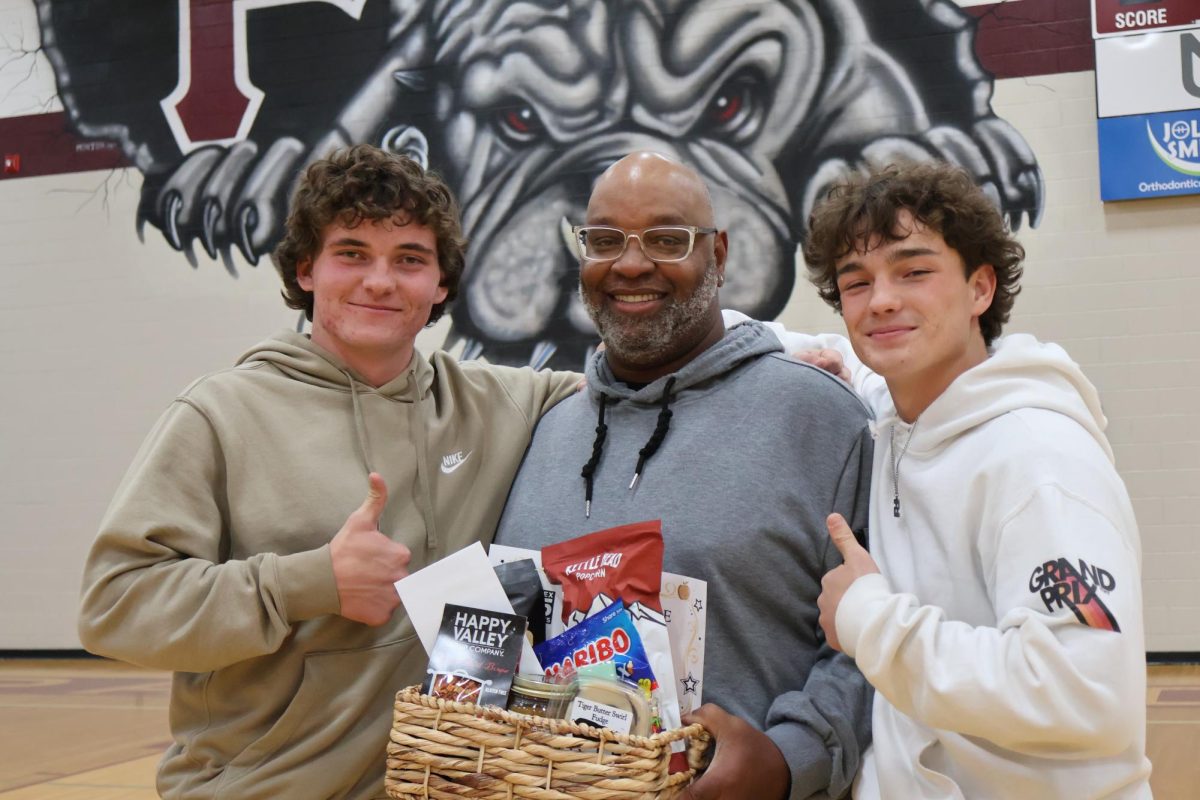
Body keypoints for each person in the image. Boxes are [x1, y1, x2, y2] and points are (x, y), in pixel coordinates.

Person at [77, 145, 583, 799]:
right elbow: (114, 608)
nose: (380, 280)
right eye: (352, 253)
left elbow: (637, 380)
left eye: (409, 259)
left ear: (442, 285)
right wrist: (309, 582)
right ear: (305, 268)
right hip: (258, 785)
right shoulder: (220, 414)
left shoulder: (498, 403)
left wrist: (754, 342)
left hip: (437, 784)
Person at [494, 151, 875, 800]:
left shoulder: (819, 418)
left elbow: (876, 636)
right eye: (605, 240)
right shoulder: (546, 432)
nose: (632, 264)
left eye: (667, 239)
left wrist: (790, 761)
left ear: (719, 255)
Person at [806, 162, 1152, 798]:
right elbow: (838, 355)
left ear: (980, 289)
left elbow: (1085, 694)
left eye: (914, 271)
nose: (881, 299)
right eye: (857, 282)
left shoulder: (1039, 459)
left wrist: (866, 618)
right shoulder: (899, 413)